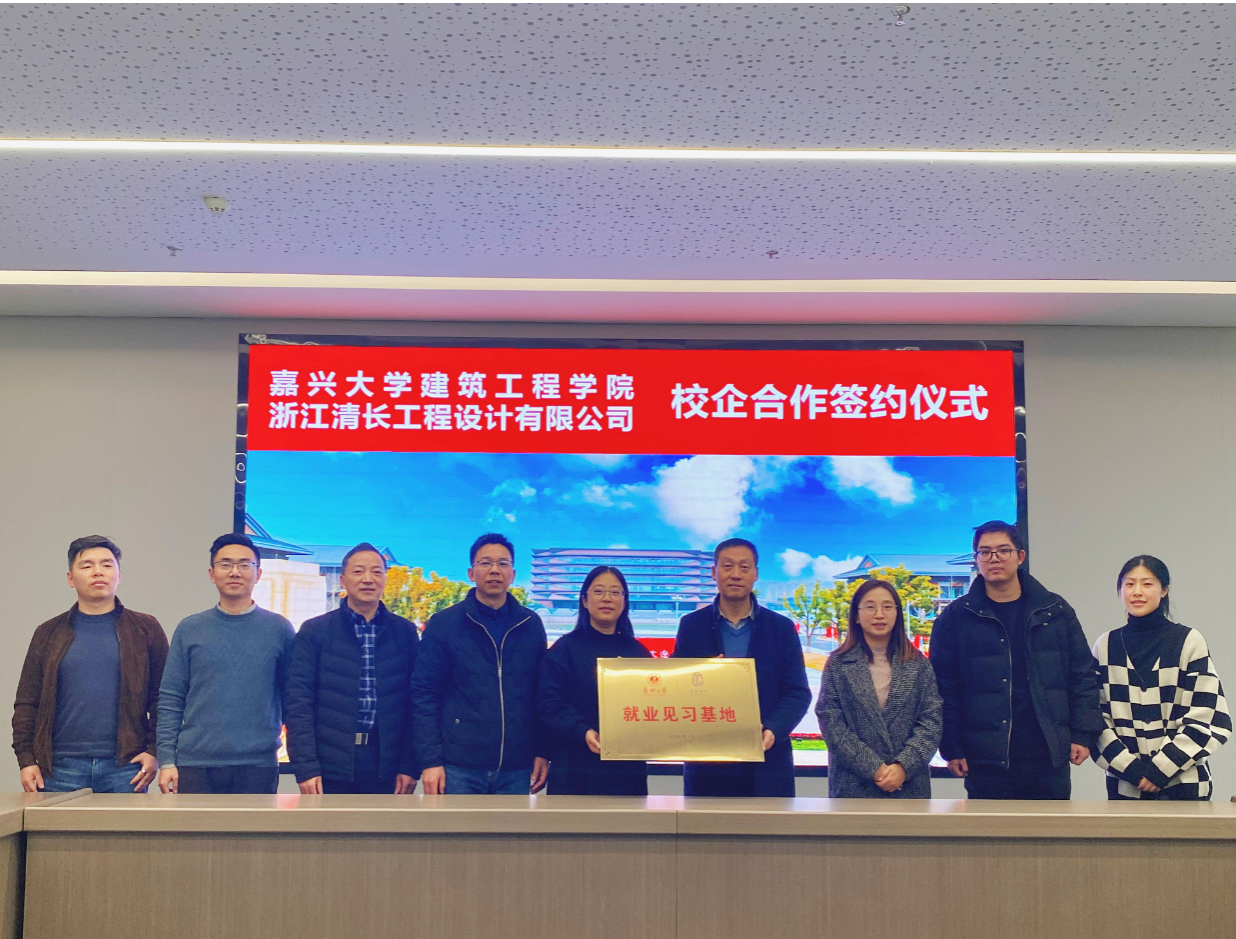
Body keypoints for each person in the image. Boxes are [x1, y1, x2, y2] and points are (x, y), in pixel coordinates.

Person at [930, 520, 1104, 800]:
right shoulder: (955, 617)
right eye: (985, 552)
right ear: (976, 559)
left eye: (1003, 550)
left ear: (1020, 556)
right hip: (985, 759)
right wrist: (952, 746)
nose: (994, 558)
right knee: (990, 829)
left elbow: (1081, 675)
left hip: (1047, 755)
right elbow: (943, 688)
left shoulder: (1054, 610)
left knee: (1052, 828)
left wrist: (1083, 734)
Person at [12, 535, 168, 793]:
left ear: (119, 575)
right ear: (70, 578)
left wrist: (154, 751)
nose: (98, 572)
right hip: (59, 768)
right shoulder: (48, 633)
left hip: (126, 767)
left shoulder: (145, 629)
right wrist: (26, 759)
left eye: (107, 564)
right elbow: (27, 701)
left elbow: (162, 698)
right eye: (87, 565)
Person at [156, 534, 296, 795]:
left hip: (258, 764)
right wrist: (166, 760)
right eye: (225, 564)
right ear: (212, 574)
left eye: (245, 565)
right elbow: (171, 697)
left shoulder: (279, 629)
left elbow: (292, 699)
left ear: (258, 573)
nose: (235, 572)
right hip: (195, 763)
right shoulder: (190, 628)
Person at [412, 533, 550, 795]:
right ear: (471, 573)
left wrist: (543, 750)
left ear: (513, 574)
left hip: (517, 767)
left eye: (503, 564)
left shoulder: (530, 625)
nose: (494, 570)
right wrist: (430, 761)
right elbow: (424, 694)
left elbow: (542, 693)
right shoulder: (444, 624)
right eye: (485, 563)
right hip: (458, 766)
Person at [672, 538, 811, 797]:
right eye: (727, 566)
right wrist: (699, 675)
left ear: (755, 574)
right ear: (714, 572)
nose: (735, 574)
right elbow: (674, 686)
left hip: (768, 760)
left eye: (744, 567)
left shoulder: (780, 628)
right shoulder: (691, 625)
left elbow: (798, 692)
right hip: (707, 760)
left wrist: (774, 729)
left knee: (769, 823)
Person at [285, 543, 419, 794]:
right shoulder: (315, 631)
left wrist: (410, 765)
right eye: (358, 571)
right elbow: (298, 702)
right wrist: (306, 767)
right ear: (343, 580)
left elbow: (416, 702)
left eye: (376, 572)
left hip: (387, 764)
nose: (368, 579)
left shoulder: (405, 632)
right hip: (329, 764)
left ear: (385, 578)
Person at [1094, 556, 1231, 800]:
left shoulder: (1188, 641)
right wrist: (1132, 770)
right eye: (1129, 584)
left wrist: (1161, 770)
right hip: (1126, 787)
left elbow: (1208, 714)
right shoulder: (1105, 646)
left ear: (1164, 590)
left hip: (1186, 785)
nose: (1137, 592)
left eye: (1147, 584)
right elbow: (1094, 717)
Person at [816, 579, 942, 799]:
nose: (879, 614)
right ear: (856, 615)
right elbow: (831, 724)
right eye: (870, 607)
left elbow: (931, 722)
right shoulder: (838, 664)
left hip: (908, 785)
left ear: (897, 614)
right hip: (853, 784)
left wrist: (903, 766)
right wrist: (874, 768)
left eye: (887, 607)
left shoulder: (918, 664)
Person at [539, 566, 652, 795]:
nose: (607, 598)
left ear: (624, 601)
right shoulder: (564, 649)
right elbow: (549, 703)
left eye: (615, 592)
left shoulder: (638, 652)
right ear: (584, 600)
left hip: (627, 772)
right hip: (574, 767)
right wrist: (582, 731)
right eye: (599, 591)